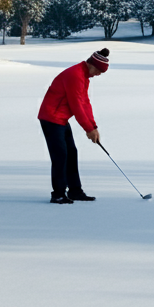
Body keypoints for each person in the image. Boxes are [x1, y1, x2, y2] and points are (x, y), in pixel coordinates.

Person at [37, 48, 108, 204]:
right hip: (51, 118)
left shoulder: (84, 76)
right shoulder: (75, 75)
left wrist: (93, 126)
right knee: (60, 156)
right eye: (99, 71)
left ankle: (75, 191)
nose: (98, 75)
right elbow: (76, 105)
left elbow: (84, 103)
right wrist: (88, 129)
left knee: (71, 153)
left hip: (61, 119)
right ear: (92, 65)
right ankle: (58, 194)